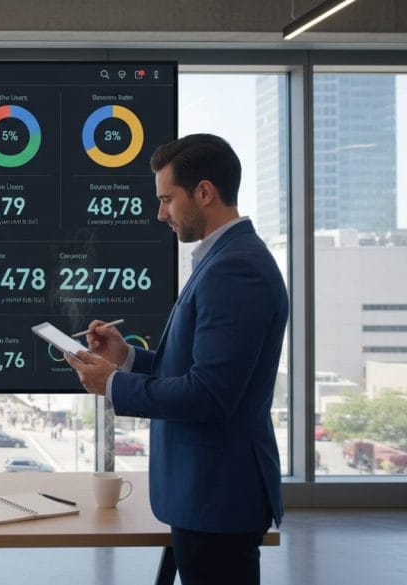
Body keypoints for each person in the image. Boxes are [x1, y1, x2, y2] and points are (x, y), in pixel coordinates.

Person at [64, 133, 287, 585]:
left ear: (204, 192)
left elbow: (209, 395)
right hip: (205, 493)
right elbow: (195, 368)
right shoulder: (221, 257)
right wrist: (125, 357)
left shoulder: (235, 268)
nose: (160, 213)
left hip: (218, 494)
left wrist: (112, 383)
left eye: (167, 199)